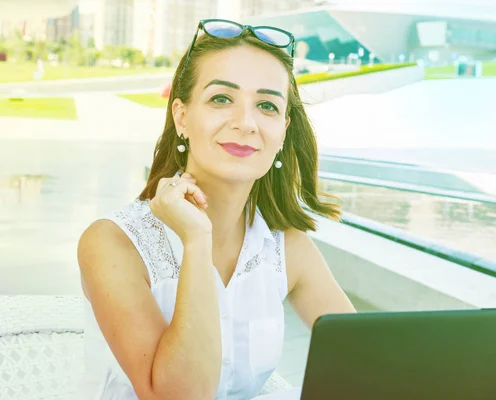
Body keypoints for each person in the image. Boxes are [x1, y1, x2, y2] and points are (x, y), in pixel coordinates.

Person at [75, 19, 356, 400]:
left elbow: (367, 362)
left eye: (267, 106)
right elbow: (179, 396)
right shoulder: (112, 243)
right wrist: (196, 240)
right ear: (182, 116)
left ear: (284, 130)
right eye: (221, 99)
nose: (245, 123)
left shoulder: (286, 248)